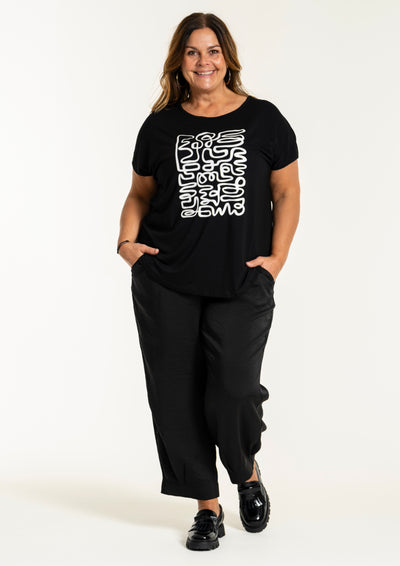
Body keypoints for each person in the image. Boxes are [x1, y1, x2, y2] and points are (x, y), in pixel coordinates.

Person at [117, 12, 300, 551]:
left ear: (228, 57)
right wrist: (126, 243)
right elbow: (139, 194)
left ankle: (246, 472)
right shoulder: (159, 127)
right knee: (176, 396)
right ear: (180, 61)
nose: (204, 61)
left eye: (213, 50)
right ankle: (207, 508)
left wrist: (277, 259)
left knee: (233, 391)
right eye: (193, 51)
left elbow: (286, 192)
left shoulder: (264, 120)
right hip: (166, 280)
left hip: (242, 279)